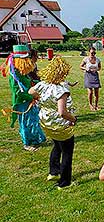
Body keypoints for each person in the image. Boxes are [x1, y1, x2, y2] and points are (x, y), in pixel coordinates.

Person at [29, 57, 76, 189]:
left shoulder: (43, 84)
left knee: (57, 145)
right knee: (67, 151)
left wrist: (42, 101)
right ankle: (64, 182)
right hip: (60, 125)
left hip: (46, 123)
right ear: (62, 74)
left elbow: (30, 92)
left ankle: (53, 172)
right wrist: (73, 119)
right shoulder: (60, 91)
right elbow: (62, 112)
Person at [3, 44, 46, 151]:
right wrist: (31, 97)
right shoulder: (14, 75)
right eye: (25, 58)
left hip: (29, 100)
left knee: (33, 120)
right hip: (22, 103)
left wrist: (40, 83)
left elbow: (28, 82)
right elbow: (18, 92)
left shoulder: (22, 72)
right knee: (25, 123)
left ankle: (35, 140)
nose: (28, 60)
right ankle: (27, 143)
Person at [80, 47, 102, 111]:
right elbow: (80, 66)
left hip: (95, 76)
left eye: (94, 53)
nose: (93, 54)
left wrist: (96, 69)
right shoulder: (86, 59)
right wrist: (86, 69)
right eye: (92, 53)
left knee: (96, 92)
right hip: (88, 75)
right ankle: (90, 105)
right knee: (90, 92)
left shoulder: (98, 59)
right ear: (89, 52)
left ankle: (96, 105)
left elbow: (100, 67)